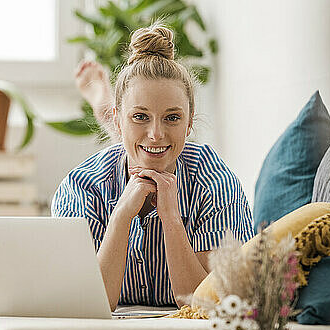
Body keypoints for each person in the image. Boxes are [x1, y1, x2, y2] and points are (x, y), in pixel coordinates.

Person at [52, 23, 253, 311]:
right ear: (119, 118)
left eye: (172, 118)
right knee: (145, 146)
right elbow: (89, 306)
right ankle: (105, 104)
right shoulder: (83, 185)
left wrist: (172, 219)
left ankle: (115, 108)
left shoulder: (214, 180)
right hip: (117, 151)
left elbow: (207, 305)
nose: (157, 132)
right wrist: (121, 215)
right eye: (140, 116)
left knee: (147, 146)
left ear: (190, 122)